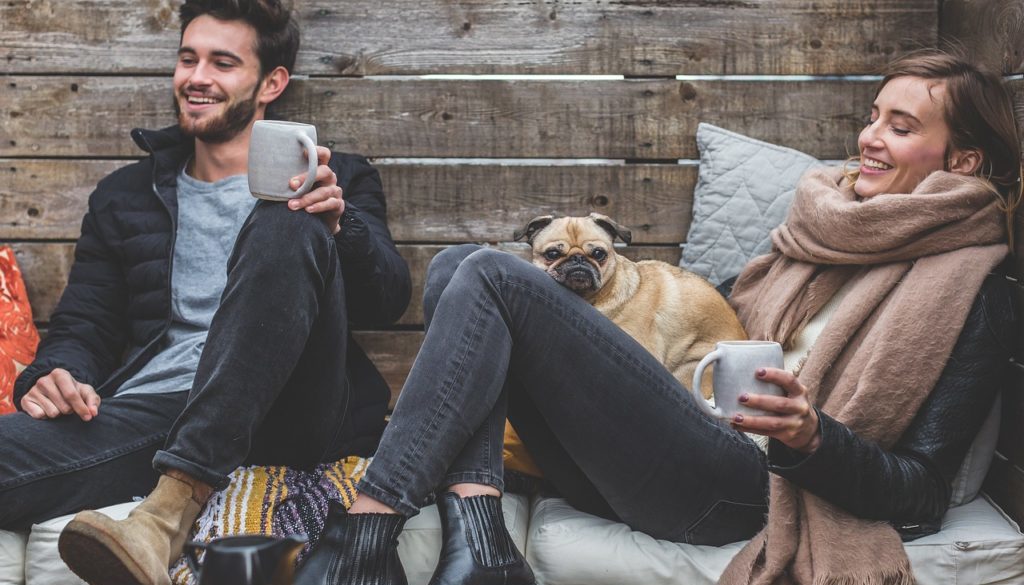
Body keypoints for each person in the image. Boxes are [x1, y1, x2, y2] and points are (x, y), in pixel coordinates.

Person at [286, 50, 1019, 585]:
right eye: (872, 116)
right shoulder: (826, 231)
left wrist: (811, 436)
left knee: (484, 272)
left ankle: (367, 527)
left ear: (962, 162)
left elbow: (921, 491)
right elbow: (727, 314)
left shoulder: (969, 288)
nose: (869, 136)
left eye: (900, 125)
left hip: (747, 488)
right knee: (455, 268)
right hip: (672, 450)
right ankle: (482, 540)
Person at [0, 0, 409, 583]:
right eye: (188, 59)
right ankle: (181, 478)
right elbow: (84, 325)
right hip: (156, 414)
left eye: (222, 63)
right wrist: (52, 374)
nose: (197, 78)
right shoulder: (125, 195)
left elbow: (388, 299)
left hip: (290, 408)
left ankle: (169, 510)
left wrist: (341, 228)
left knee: (289, 216)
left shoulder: (334, 177)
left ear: (272, 83)